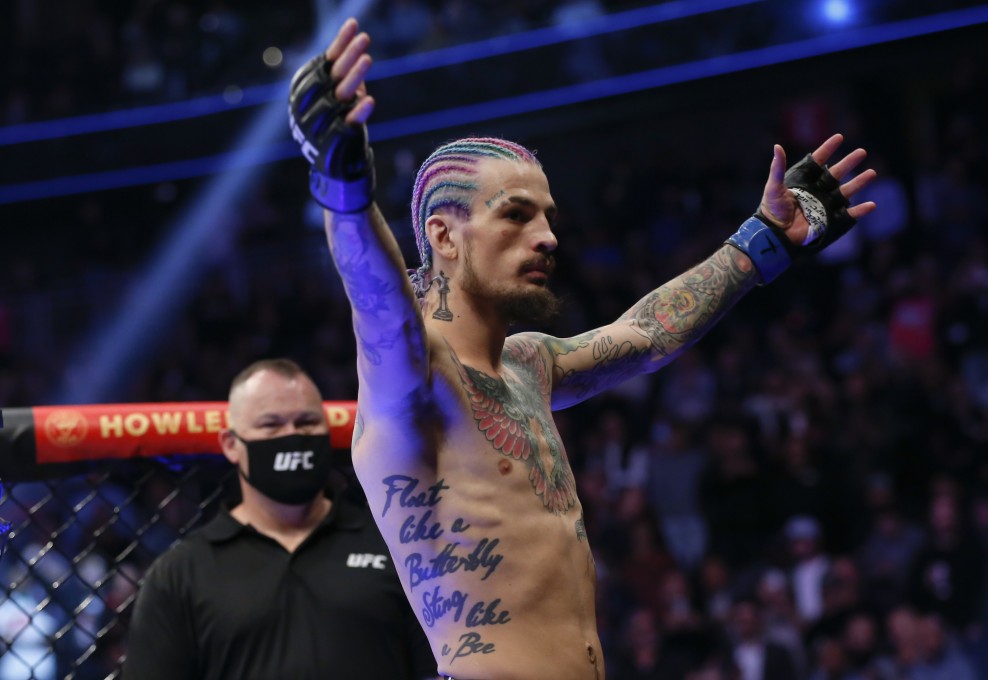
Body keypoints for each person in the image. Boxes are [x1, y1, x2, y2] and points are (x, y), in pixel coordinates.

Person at [287, 18, 877, 680]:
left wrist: (763, 241)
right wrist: (342, 188)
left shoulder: (530, 365)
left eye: (547, 218)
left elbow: (650, 334)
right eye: (515, 215)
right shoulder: (415, 378)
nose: (546, 238)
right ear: (444, 237)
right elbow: (379, 304)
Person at [121, 358, 437, 680]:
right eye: (271, 425)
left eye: (307, 422)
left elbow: (436, 669)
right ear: (232, 445)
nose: (293, 435)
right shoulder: (180, 574)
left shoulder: (394, 549)